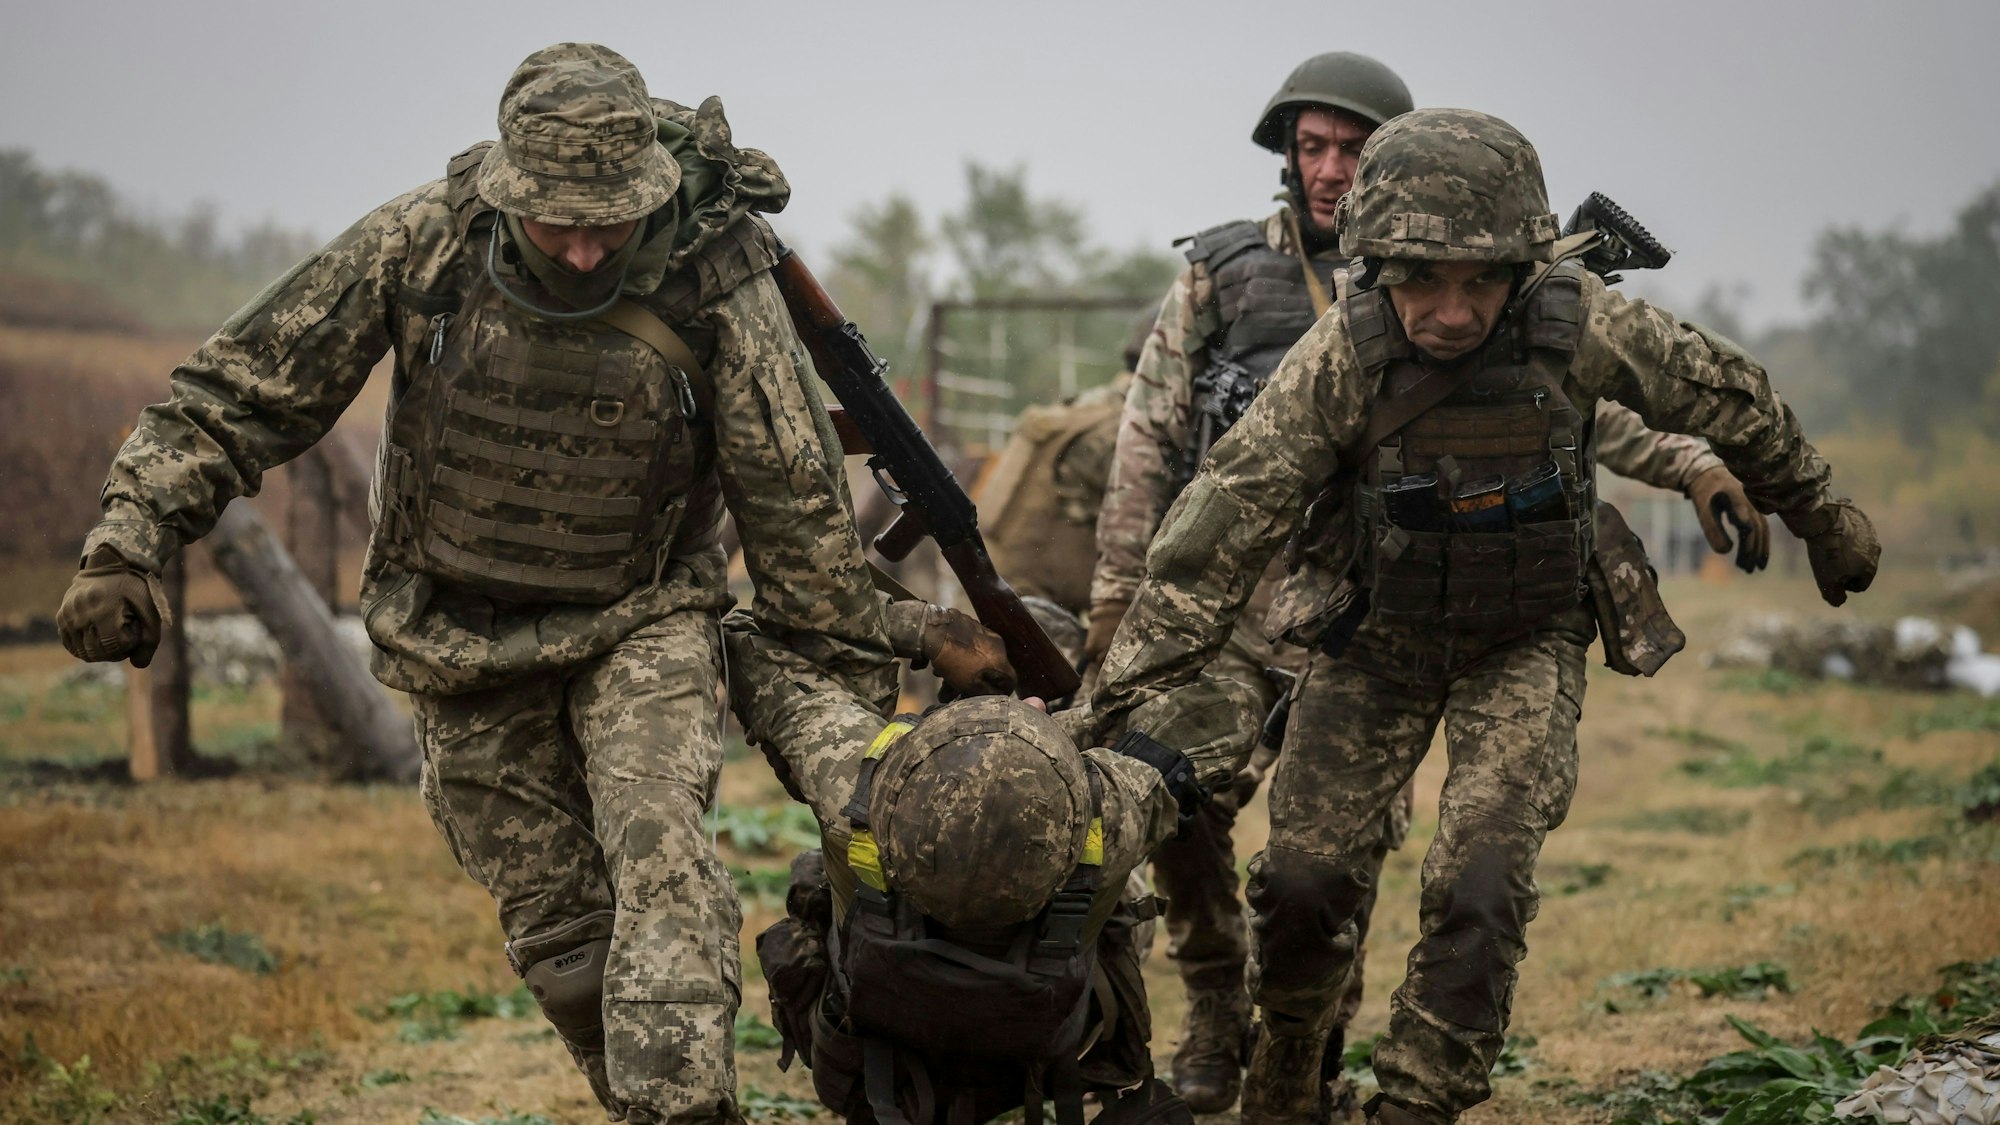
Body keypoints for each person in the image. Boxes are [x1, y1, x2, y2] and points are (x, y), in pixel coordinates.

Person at [53, 43, 895, 1125]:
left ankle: (689, 1112)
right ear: (507, 195)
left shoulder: (709, 270)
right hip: (453, 637)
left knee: (663, 866)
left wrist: (846, 708)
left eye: (612, 224)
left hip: (642, 620)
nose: (588, 254)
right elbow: (235, 397)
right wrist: (126, 541)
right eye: (559, 224)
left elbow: (795, 505)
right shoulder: (423, 242)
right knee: (562, 940)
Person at [1088, 108, 1879, 1125]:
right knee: (1301, 884)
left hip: (1523, 635)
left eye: (1478, 283)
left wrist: (1817, 509)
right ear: (1376, 266)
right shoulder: (1340, 355)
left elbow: (1721, 398)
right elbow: (1219, 526)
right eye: (1421, 280)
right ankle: (1286, 1057)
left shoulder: (1579, 319)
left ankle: (1415, 1102)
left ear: (1520, 266)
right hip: (1370, 641)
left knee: (1481, 880)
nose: (1451, 313)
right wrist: (1108, 699)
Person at [727, 605, 1259, 1125]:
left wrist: (923, 631)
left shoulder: (851, 781)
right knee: (1118, 892)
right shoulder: (1113, 813)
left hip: (874, 1068)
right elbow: (1232, 705)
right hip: (1043, 1059)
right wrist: (1075, 730)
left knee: (823, 876)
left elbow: (748, 636)